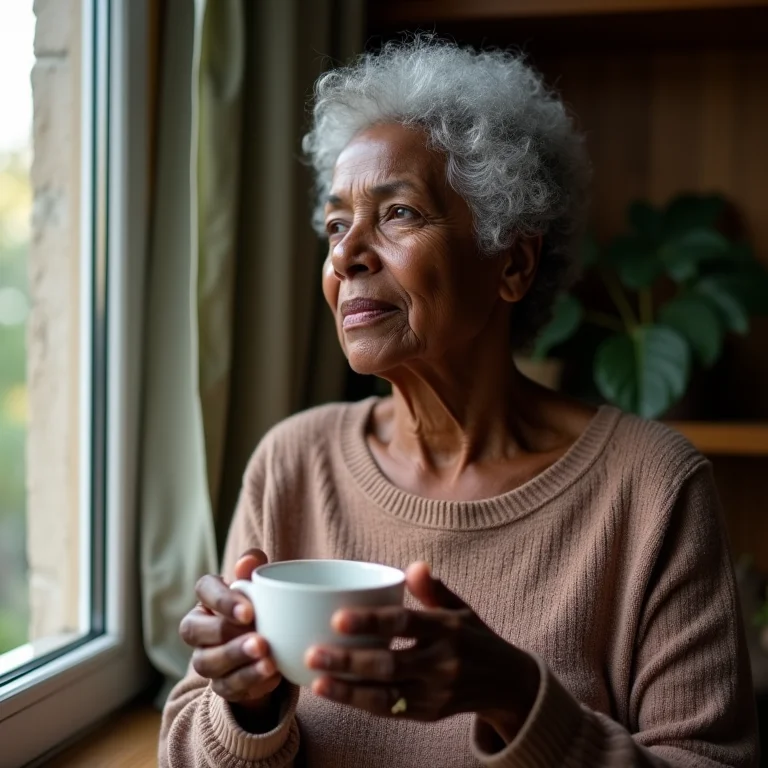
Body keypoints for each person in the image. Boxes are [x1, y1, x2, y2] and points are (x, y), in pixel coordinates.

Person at [159, 37, 758, 767]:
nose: (347, 254)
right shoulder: (294, 462)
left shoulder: (653, 487)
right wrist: (245, 705)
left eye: (399, 213)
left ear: (512, 262)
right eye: (337, 223)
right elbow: (186, 745)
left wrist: (516, 698)